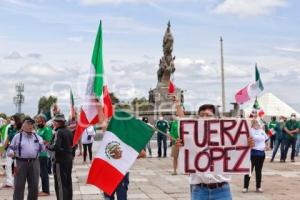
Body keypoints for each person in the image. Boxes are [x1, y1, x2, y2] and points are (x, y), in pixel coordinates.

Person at [174, 99, 254, 200]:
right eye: (201, 115)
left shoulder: (227, 138)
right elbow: (183, 122)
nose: (204, 118)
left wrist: (247, 145)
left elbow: (238, 153)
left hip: (222, 190)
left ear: (216, 118)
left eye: (208, 115)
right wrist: (180, 146)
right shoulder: (192, 137)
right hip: (199, 190)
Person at [7, 117, 45, 200]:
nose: (30, 126)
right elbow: (9, 149)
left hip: (34, 163)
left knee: (34, 186)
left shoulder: (37, 137)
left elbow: (43, 149)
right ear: (23, 126)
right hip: (21, 163)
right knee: (19, 186)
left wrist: (43, 145)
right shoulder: (17, 137)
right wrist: (11, 153)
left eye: (31, 124)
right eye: (28, 124)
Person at [48, 113, 74, 200]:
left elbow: (56, 147)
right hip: (69, 159)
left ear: (58, 122)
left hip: (60, 160)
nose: (53, 123)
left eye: (54, 121)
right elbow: (73, 145)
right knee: (68, 181)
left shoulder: (58, 132)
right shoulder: (69, 130)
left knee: (60, 184)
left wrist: (48, 146)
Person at [243, 119, 269, 193]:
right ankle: (245, 187)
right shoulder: (250, 131)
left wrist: (267, 146)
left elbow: (267, 140)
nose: (257, 124)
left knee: (258, 171)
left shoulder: (262, 131)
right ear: (252, 124)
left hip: (261, 154)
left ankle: (258, 187)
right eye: (256, 123)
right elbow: (246, 140)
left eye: (258, 123)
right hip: (252, 154)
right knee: (249, 171)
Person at [1, 115, 22, 189]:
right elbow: (7, 139)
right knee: (7, 165)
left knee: (17, 166)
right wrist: (2, 150)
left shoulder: (21, 129)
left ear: (16, 120)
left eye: (12, 119)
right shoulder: (11, 128)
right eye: (10, 119)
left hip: (19, 150)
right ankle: (9, 182)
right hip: (10, 149)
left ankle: (18, 182)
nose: (10, 120)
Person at [36, 114, 52, 196]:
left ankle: (46, 191)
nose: (38, 122)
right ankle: (42, 189)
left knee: (44, 172)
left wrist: (37, 143)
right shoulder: (38, 129)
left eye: (40, 121)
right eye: (37, 121)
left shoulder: (47, 129)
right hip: (38, 154)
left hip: (44, 154)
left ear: (44, 121)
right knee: (40, 173)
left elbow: (47, 141)